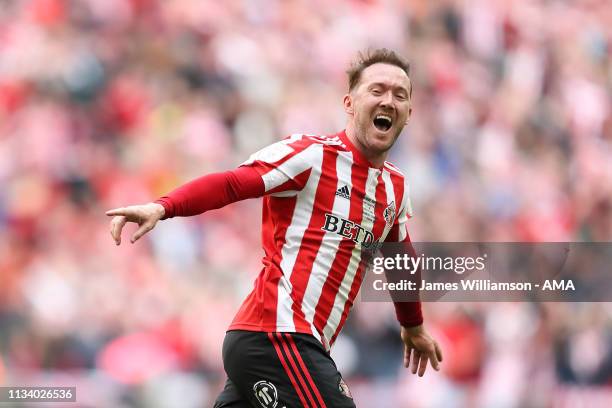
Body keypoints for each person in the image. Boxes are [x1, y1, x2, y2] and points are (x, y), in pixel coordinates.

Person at [106, 48, 443, 408]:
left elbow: (400, 258)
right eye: (377, 90)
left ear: (408, 114)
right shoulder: (312, 156)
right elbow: (234, 184)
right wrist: (164, 206)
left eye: (399, 95)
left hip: (283, 345)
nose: (388, 100)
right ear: (350, 102)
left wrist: (413, 325)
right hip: (278, 335)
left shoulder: (395, 187)